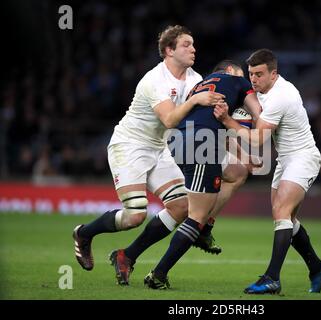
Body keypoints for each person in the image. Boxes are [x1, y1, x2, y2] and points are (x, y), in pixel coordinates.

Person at [72, 25, 225, 285]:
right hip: (130, 146)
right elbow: (169, 119)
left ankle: (127, 256)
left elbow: (196, 119)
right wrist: (195, 102)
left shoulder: (194, 78)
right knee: (135, 215)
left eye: (193, 44)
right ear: (168, 50)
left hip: (159, 147)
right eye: (186, 44)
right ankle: (84, 233)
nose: (193, 49)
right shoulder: (154, 80)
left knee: (181, 206)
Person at [214, 49, 321, 294]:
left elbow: (258, 140)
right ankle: (317, 267)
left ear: (273, 73)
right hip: (285, 161)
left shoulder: (281, 95)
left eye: (259, 74)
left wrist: (227, 121)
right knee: (286, 218)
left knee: (281, 211)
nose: (254, 79)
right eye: (251, 74)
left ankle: (272, 278)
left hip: (303, 158)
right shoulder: (262, 92)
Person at [142, 60, 262, 289]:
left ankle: (205, 226)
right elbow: (259, 112)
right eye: (242, 73)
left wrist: (241, 151)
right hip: (199, 147)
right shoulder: (237, 82)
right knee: (195, 217)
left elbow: (215, 128)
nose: (248, 78)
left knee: (237, 173)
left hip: (181, 143)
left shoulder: (201, 87)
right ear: (229, 72)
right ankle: (159, 274)